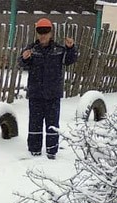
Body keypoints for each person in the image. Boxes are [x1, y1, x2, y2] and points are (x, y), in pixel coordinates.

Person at [18, 18, 78, 160]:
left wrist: (71, 48)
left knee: (52, 124)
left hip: (52, 94)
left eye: (46, 31)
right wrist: (25, 58)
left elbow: (70, 60)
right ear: (37, 33)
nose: (43, 35)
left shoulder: (59, 50)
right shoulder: (31, 49)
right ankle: (34, 150)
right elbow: (21, 63)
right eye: (40, 31)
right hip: (36, 94)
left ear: (51, 32)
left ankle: (51, 151)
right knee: (35, 123)